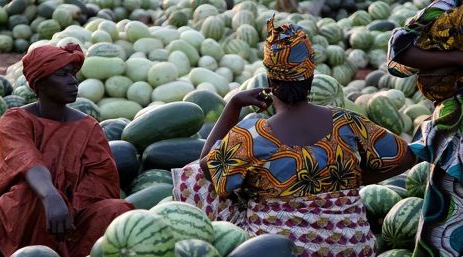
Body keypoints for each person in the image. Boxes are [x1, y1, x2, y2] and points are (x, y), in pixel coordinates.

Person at [172, 16, 416, 256]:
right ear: (310, 77)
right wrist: (357, 179)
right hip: (352, 246)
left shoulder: (252, 134)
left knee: (194, 176)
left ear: (270, 79)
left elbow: (206, 169)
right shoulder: (347, 122)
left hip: (282, 249)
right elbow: (405, 157)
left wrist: (233, 104)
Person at [0, 44, 133, 257]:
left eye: (73, 74)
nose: (73, 81)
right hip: (21, 218)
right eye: (63, 75)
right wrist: (50, 195)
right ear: (40, 84)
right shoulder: (15, 120)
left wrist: (69, 205)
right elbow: (24, 158)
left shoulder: (88, 127)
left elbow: (101, 181)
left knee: (118, 210)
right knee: (29, 195)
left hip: (71, 220)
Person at [387, 1, 463, 256]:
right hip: (456, 131)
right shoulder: (450, 6)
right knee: (449, 223)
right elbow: (400, 49)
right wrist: (457, 58)